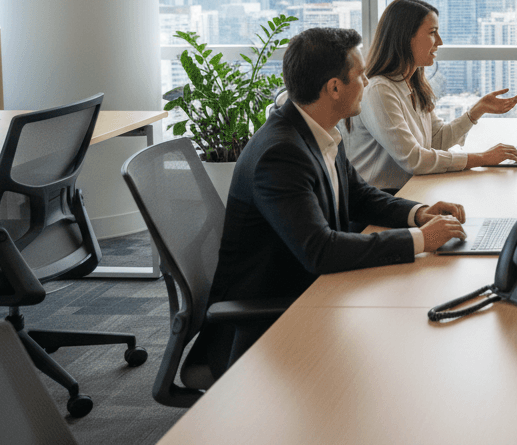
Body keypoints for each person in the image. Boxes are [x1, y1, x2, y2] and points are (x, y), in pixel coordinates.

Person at [200, 27, 468, 375]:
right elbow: (320, 251)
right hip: (269, 323)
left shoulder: (320, 127)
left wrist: (418, 214)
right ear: (334, 87)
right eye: (360, 75)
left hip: (319, 293)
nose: (368, 83)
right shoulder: (280, 154)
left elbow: (357, 195)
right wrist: (421, 240)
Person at [344, 0, 517, 192]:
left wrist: (476, 112)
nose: (440, 41)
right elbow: (414, 160)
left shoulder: (411, 84)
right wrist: (482, 158)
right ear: (405, 37)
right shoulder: (379, 91)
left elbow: (436, 140)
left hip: (411, 190)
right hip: (381, 201)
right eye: (432, 33)